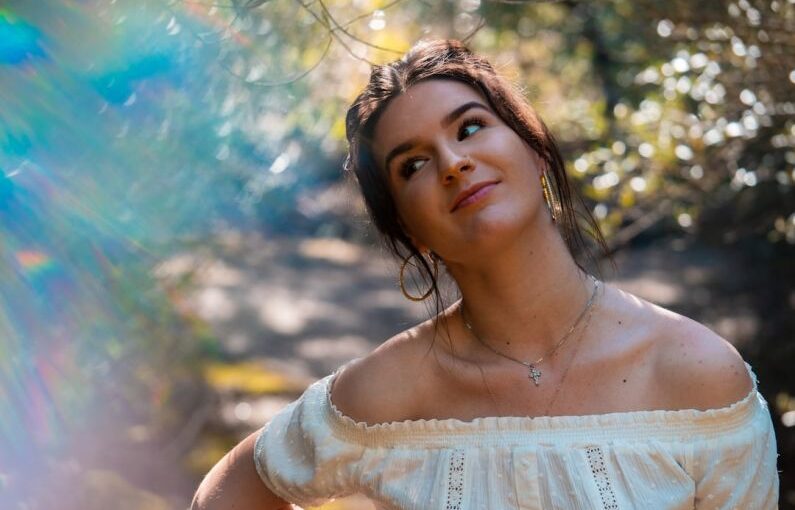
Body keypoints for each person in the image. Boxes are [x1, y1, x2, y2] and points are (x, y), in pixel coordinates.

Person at [191, 40, 779, 509]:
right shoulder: (386, 392)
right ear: (407, 226)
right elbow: (231, 492)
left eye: (469, 127)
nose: (454, 162)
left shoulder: (701, 381)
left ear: (536, 150)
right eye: (413, 164)